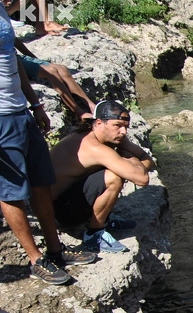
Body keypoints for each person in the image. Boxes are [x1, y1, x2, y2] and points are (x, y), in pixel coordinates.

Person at [0, 0, 94, 285]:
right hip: (0, 119)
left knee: (42, 181)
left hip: (20, 112)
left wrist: (36, 104)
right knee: (12, 191)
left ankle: (55, 250)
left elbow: (12, 62)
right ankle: (35, 259)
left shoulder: (0, 8)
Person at [49, 100, 154, 253]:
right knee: (114, 176)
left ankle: (104, 218)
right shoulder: (94, 147)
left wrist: (131, 164)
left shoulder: (99, 136)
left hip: (68, 199)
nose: (123, 132)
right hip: (58, 214)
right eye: (117, 125)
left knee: (118, 170)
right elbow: (142, 179)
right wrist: (128, 158)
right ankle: (94, 234)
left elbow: (147, 159)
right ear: (99, 123)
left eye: (126, 126)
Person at [16, 38, 95, 120]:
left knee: (62, 69)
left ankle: (91, 106)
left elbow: (14, 40)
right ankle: (78, 111)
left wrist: (35, 59)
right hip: (11, 59)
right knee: (52, 71)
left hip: (17, 57)